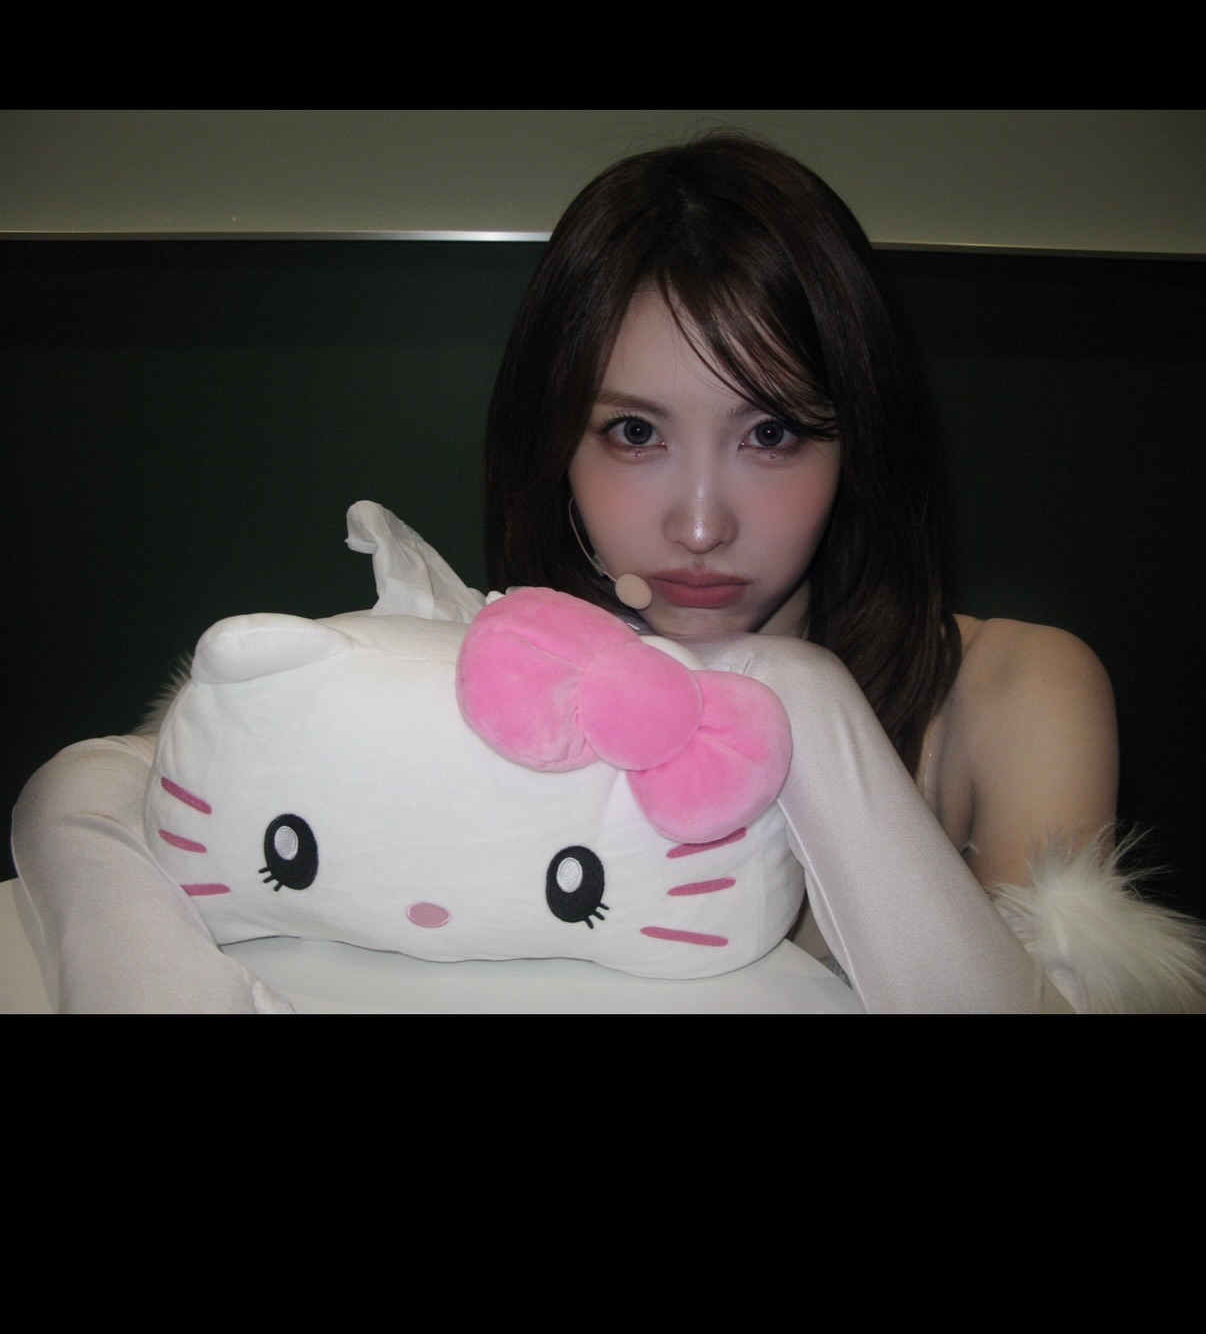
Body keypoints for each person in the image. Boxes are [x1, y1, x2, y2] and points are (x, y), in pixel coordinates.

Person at [13, 132, 1206, 1012]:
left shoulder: (1008, 690)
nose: (700, 523)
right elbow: (92, 789)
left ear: (859, 443)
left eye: (772, 433)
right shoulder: (503, 677)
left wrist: (801, 705)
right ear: (558, 450)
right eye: (634, 433)